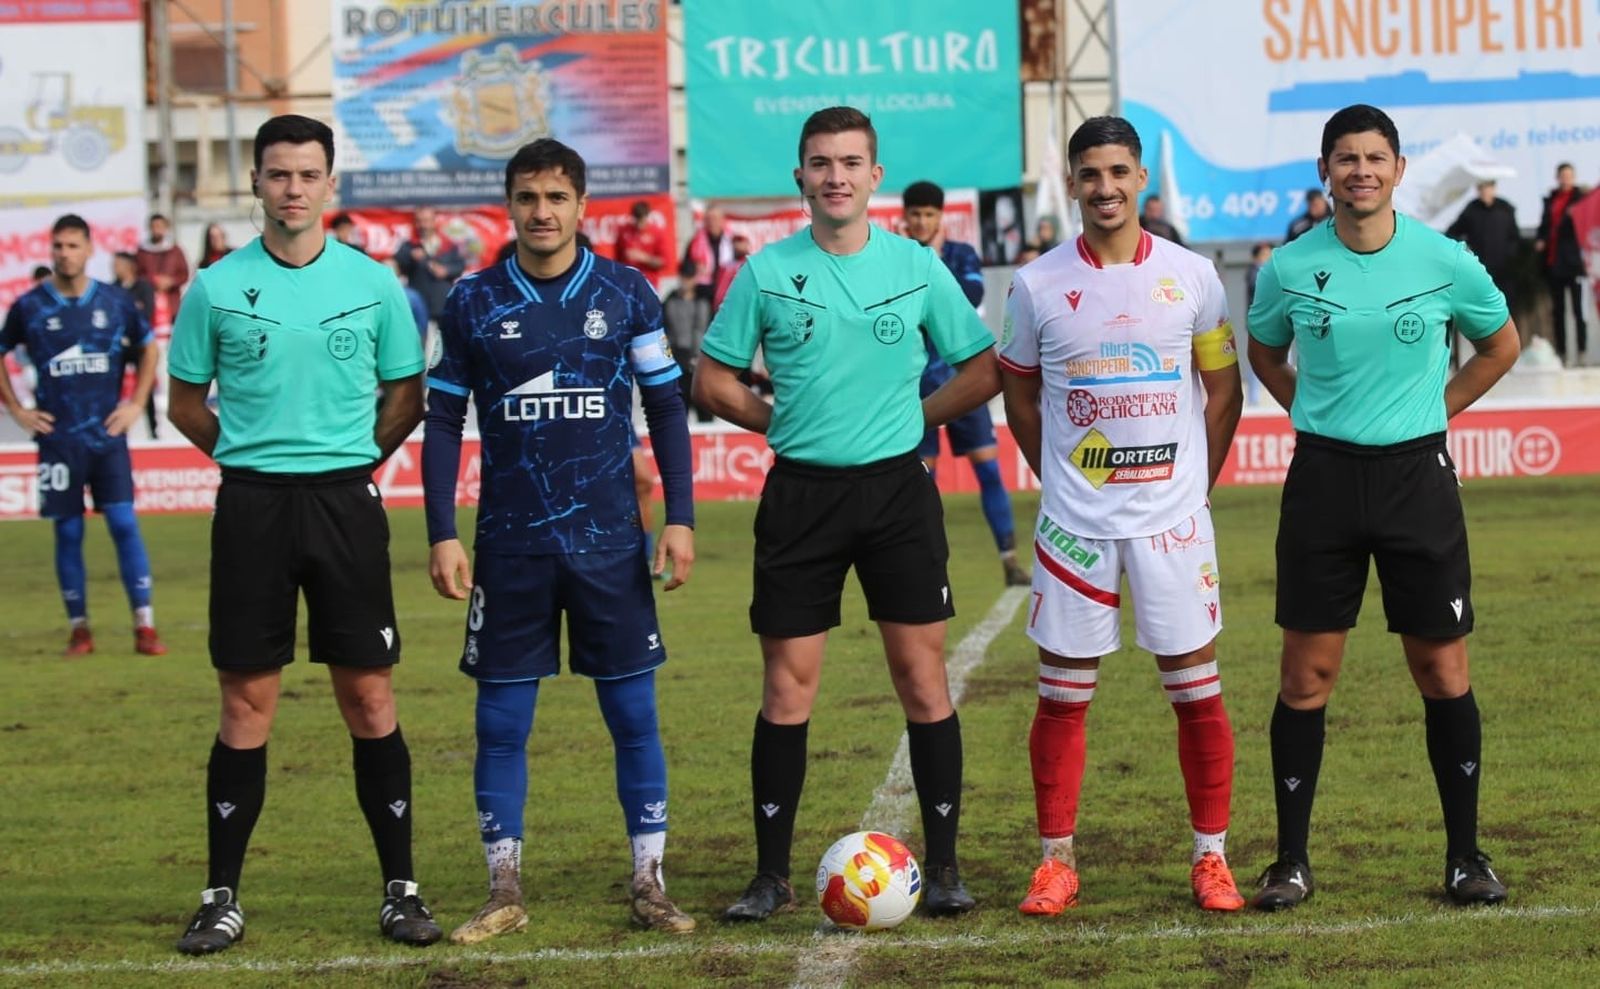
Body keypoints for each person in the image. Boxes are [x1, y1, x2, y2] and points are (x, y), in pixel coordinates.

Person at [693, 106, 1000, 921]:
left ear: (875, 176)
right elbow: (713, 380)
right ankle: (770, 875)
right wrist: (779, 424)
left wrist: (918, 421)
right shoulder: (763, 272)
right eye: (820, 162)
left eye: (850, 162)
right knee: (787, 688)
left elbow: (982, 366)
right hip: (801, 495)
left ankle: (942, 868)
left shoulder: (917, 266)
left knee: (922, 677)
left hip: (898, 491)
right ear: (801, 177)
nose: (835, 175)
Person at [166, 114, 438, 954]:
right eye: (277, 174)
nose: (292, 189)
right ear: (255, 183)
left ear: (330, 184)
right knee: (247, 702)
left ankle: (401, 889)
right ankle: (220, 896)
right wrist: (253, 460)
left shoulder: (374, 284)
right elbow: (183, 403)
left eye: (307, 174)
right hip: (252, 509)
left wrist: (351, 464)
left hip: (344, 506)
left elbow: (406, 394)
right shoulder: (212, 288)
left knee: (370, 697)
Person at [1246, 103, 1520, 912]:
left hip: (1417, 482)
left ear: (1399, 169)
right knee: (1307, 675)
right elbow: (1263, 347)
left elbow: (1499, 344)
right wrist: (1309, 410)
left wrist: (1438, 407)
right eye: (1345, 158)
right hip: (1324, 480)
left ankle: (1465, 856)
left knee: (1442, 670)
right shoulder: (1289, 267)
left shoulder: (1447, 260)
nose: (1360, 170)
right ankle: (1290, 860)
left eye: (1375, 157)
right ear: (1325, 171)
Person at [423, 137, 697, 942]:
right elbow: (442, 420)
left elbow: (666, 407)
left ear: (582, 206)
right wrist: (442, 530)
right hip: (509, 544)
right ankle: (502, 884)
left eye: (556, 198)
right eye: (527, 197)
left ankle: (649, 881)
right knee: (500, 723)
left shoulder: (626, 290)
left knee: (633, 714)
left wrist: (677, 515)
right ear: (508, 205)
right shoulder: (471, 300)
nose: (542, 212)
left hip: (611, 540)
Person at [999, 116, 1247, 917]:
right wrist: (1060, 480)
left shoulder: (1194, 277)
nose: (1105, 187)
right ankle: (1055, 860)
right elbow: (1020, 393)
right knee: (1063, 696)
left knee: (1197, 691)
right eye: (1090, 174)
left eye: (1118, 172)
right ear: (1071, 183)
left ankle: (1211, 857)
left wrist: (1196, 487)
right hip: (1076, 526)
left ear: (1140, 179)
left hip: (1173, 523)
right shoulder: (1036, 285)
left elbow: (1224, 389)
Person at [0, 214, 167, 657]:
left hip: (106, 437)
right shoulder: (31, 306)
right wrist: (18, 410)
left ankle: (145, 627)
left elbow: (149, 346)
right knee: (68, 532)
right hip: (57, 442)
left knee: (123, 523)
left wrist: (135, 403)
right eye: (58, 246)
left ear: (89, 249)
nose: (64, 254)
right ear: (50, 251)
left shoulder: (114, 302)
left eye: (73, 246)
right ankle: (80, 629)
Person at [901, 179, 1027, 587]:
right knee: (924, 479)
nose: (921, 221)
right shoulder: (895, 259)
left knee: (988, 469)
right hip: (916, 385)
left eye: (928, 214)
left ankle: (1009, 558)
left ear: (940, 217)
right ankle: (929, 563)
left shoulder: (960, 254)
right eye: (916, 214)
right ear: (906, 217)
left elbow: (971, 293)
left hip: (962, 379)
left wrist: (932, 274)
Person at [1534, 163, 1588, 365]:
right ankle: (1562, 353)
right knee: (1558, 311)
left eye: (1569, 175)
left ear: (1574, 177)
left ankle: (1581, 351)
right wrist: (1540, 240)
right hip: (1554, 263)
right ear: (1558, 177)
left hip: (1575, 263)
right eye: (1563, 175)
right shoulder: (1551, 200)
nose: (1566, 179)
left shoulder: (1581, 199)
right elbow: (1544, 226)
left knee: (1578, 310)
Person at [1447, 181, 1522, 313]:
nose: (1485, 192)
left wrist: (1510, 256)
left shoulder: (1505, 209)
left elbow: (1514, 237)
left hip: (1504, 270)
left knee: (1506, 308)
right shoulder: (1471, 209)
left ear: (1494, 189)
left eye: (1488, 188)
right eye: (1481, 189)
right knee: (1480, 308)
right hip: (1479, 269)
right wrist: (1466, 252)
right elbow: (1452, 232)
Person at [113, 251, 163, 437]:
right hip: (120, 344)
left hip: (140, 344)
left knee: (145, 384)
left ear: (129, 266)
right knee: (113, 386)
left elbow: (146, 312)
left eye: (118, 264)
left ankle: (153, 429)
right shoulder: (113, 289)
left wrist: (130, 317)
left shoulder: (143, 286)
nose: (115, 268)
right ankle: (113, 425)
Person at [396, 206, 465, 327]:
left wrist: (447, 271)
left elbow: (460, 265)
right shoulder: (409, 246)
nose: (423, 225)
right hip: (419, 305)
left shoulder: (448, 244)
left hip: (442, 304)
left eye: (427, 221)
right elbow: (399, 264)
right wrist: (410, 257)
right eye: (420, 221)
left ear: (434, 221)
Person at [664, 259, 710, 415]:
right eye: (684, 276)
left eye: (689, 277)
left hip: (697, 360)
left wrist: (698, 356)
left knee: (704, 409)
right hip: (676, 359)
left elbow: (701, 330)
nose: (686, 281)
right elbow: (667, 331)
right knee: (679, 409)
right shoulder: (670, 301)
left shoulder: (701, 302)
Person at [135, 212, 189, 332]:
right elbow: (137, 274)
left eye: (160, 226)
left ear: (166, 228)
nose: (157, 230)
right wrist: (153, 281)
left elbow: (184, 274)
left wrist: (171, 281)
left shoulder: (175, 250)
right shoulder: (143, 251)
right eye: (154, 226)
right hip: (150, 302)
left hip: (172, 304)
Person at [682, 204, 734, 303]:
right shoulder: (695, 241)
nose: (711, 222)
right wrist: (694, 267)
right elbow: (686, 266)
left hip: (727, 290)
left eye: (714, 218)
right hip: (703, 291)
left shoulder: (731, 241)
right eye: (708, 219)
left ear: (722, 220)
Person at [615, 199, 669, 289]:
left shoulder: (656, 233)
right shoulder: (624, 232)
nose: (639, 225)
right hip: (628, 282)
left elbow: (663, 262)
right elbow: (617, 258)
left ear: (647, 217)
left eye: (642, 221)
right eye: (637, 220)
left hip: (649, 282)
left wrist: (644, 258)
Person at [710, 233, 752, 313]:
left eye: (740, 243)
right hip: (722, 307)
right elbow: (720, 287)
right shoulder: (725, 266)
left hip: (740, 307)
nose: (737, 247)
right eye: (735, 244)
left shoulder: (749, 264)